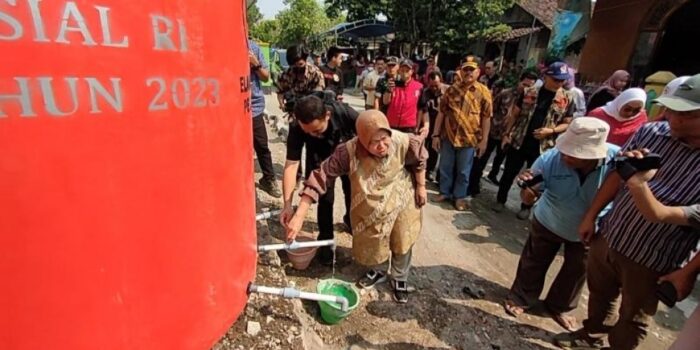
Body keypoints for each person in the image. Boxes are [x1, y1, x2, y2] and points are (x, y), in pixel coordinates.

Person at [555, 73, 700, 350]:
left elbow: (659, 213)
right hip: (612, 233)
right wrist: (592, 215)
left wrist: (688, 272)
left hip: (653, 257)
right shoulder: (650, 133)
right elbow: (615, 175)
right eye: (669, 107)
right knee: (600, 293)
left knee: (634, 316)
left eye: (682, 113)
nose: (669, 115)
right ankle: (592, 335)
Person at [285, 110, 428, 304]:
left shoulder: (402, 141)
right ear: (362, 140)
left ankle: (400, 277)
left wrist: (421, 186)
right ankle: (379, 270)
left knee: (403, 237)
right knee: (375, 238)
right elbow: (321, 176)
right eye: (374, 142)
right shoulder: (348, 151)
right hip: (372, 206)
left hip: (401, 197)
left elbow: (420, 158)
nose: (382, 146)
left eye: (385, 139)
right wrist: (300, 214)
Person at [503, 117, 619, 332]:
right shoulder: (549, 159)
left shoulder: (617, 162)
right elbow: (528, 196)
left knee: (577, 270)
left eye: (573, 154)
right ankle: (521, 296)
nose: (565, 156)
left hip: (591, 229)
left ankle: (560, 307)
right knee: (535, 259)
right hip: (550, 219)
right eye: (564, 150)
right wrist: (528, 193)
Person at [280, 93, 358, 265]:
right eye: (309, 133)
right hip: (319, 160)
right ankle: (326, 244)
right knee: (325, 201)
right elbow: (292, 165)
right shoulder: (297, 126)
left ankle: (352, 224)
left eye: (317, 131)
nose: (313, 135)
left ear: (327, 116)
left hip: (349, 157)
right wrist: (287, 204)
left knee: (353, 195)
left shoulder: (346, 114)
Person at [495, 62, 575, 219]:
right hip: (520, 140)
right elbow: (515, 114)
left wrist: (551, 131)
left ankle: (526, 206)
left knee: (535, 178)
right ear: (546, 77)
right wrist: (507, 133)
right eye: (556, 79)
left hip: (543, 147)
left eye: (562, 80)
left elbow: (567, 123)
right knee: (509, 172)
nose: (559, 83)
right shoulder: (529, 92)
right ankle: (500, 200)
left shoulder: (567, 98)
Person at [431, 56, 493, 211]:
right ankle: (444, 192)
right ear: (461, 71)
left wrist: (484, 140)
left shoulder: (484, 92)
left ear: (478, 72)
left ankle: (459, 197)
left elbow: (486, 118)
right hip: (448, 137)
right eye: (465, 69)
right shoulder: (451, 90)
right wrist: (435, 135)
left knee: (463, 172)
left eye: (472, 70)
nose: (468, 73)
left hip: (469, 140)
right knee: (445, 167)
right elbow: (441, 113)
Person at [469, 70, 538, 192]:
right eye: (525, 84)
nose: (526, 88)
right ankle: (473, 183)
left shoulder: (531, 100)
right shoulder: (505, 94)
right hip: (494, 131)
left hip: (510, 137)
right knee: (482, 158)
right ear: (519, 81)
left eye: (530, 86)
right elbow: (490, 111)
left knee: (500, 160)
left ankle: (492, 175)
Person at [248, 39, 281, 197]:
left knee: (261, 146)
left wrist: (255, 64)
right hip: (232, 109)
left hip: (253, 107)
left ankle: (269, 179)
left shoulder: (253, 47)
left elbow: (265, 76)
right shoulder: (224, 44)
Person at [418, 71, 449, 182]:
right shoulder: (425, 93)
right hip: (427, 123)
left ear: (441, 81)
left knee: (436, 150)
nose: (434, 88)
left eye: (436, 85)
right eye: (431, 85)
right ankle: (424, 170)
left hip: (442, 125)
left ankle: (434, 172)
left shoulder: (448, 91)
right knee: (424, 148)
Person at [383, 59, 427, 135]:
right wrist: (388, 90)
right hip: (391, 125)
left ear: (412, 71)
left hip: (409, 127)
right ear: (399, 71)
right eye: (402, 69)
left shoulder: (419, 87)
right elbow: (385, 102)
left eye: (407, 70)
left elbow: (421, 108)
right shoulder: (392, 84)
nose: (404, 72)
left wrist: (419, 126)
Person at [276, 44, 325, 111]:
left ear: (305, 60)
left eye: (300, 64)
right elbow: (280, 91)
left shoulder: (315, 73)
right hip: (294, 110)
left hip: (311, 109)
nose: (297, 67)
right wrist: (282, 104)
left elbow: (319, 93)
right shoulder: (286, 74)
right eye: (294, 65)